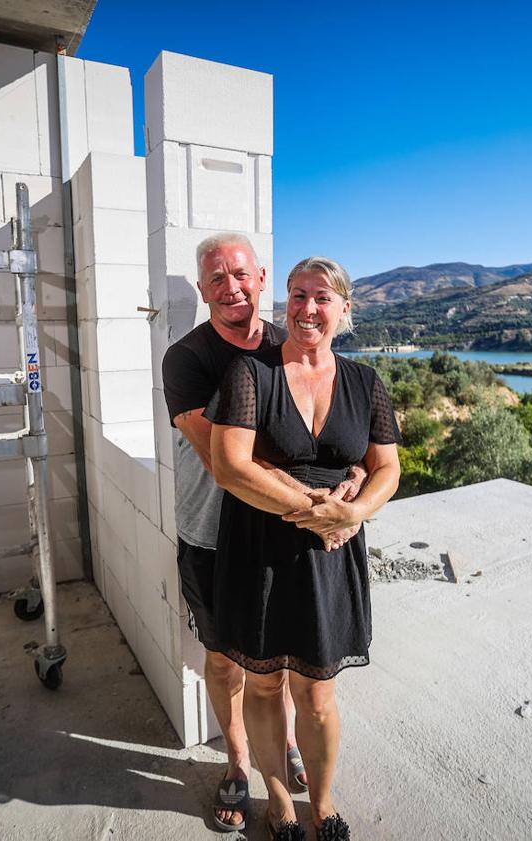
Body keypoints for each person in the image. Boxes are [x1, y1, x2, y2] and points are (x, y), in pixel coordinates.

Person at [162, 235, 366, 832]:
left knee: (284, 662)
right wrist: (320, 510)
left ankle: (281, 751)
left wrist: (350, 481)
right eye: (217, 279)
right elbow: (219, 459)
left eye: (241, 275)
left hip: (282, 537)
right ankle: (237, 762)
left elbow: (328, 436)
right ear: (203, 292)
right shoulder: (187, 359)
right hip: (215, 532)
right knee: (227, 660)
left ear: (261, 280)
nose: (232, 288)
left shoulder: (288, 340)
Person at [206, 256, 402, 840]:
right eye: (296, 295)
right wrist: (318, 512)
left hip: (331, 554)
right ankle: (279, 801)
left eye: (321, 297)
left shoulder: (366, 383)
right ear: (284, 301)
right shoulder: (250, 373)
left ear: (345, 309)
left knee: (317, 693)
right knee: (265, 684)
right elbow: (228, 466)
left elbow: (387, 468)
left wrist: (355, 511)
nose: (307, 308)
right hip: (258, 549)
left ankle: (322, 802)